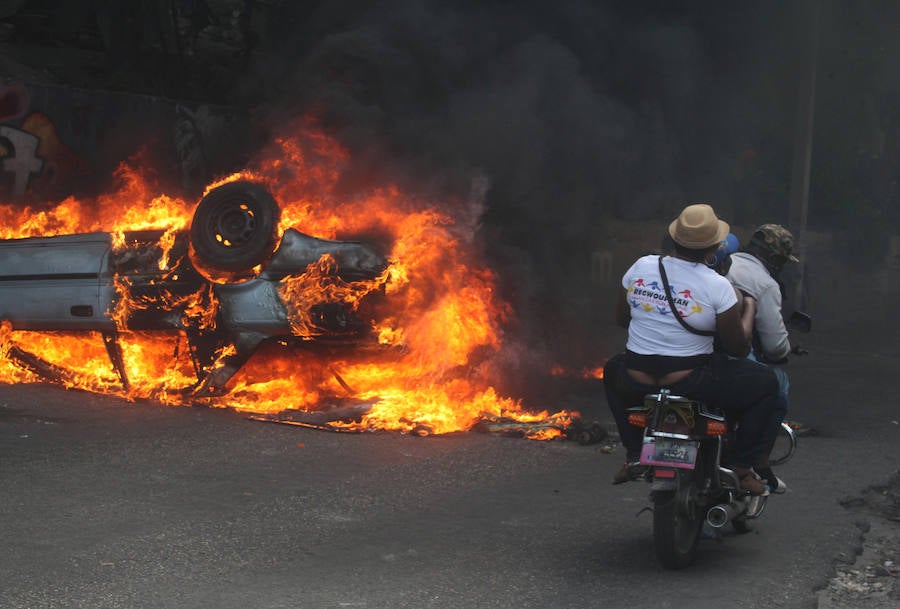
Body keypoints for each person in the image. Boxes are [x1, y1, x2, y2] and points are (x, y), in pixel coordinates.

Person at [603, 203, 787, 495]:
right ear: (713, 250)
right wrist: (749, 308)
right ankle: (741, 467)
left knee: (611, 368)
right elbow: (737, 348)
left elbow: (621, 319)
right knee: (768, 382)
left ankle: (634, 452)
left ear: (672, 239)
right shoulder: (718, 287)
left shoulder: (641, 266)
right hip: (690, 382)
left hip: (635, 378)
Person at [725, 224, 800, 493]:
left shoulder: (721, 263)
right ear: (776, 258)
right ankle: (754, 462)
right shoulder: (765, 283)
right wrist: (786, 349)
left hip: (693, 356)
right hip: (733, 362)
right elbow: (776, 345)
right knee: (777, 385)